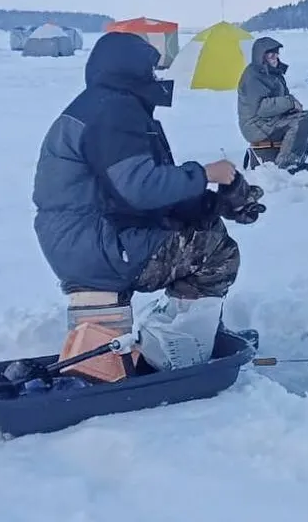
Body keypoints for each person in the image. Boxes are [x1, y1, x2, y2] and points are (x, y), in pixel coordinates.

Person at [32, 31, 269, 381]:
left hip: (86, 241)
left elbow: (139, 194)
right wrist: (205, 173)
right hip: (99, 246)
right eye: (150, 70)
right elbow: (140, 188)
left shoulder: (100, 107)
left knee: (200, 231)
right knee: (214, 249)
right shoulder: (114, 111)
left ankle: (170, 336)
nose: (155, 78)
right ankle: (181, 350)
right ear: (131, 71)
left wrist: (214, 203)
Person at [237, 36, 308, 174]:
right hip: (256, 125)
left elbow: (279, 100)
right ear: (261, 57)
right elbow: (261, 108)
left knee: (305, 119)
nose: (275, 58)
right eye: (271, 55)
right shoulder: (253, 76)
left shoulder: (272, 73)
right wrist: (289, 102)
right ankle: (286, 166)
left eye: (276, 55)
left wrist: (291, 109)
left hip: (268, 122)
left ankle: (294, 162)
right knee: (302, 122)